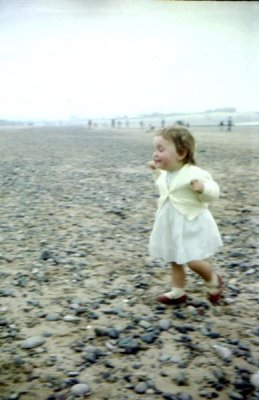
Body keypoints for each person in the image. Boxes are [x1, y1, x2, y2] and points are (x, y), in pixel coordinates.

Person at [148, 126, 223, 305]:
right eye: (155, 149)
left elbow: (214, 190)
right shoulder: (166, 172)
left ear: (181, 153)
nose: (155, 154)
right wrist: (156, 171)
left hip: (190, 223)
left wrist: (203, 188)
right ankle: (178, 291)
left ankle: (213, 279)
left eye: (160, 149)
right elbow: (165, 187)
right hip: (170, 222)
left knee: (192, 260)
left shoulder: (195, 173)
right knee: (174, 257)